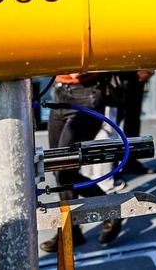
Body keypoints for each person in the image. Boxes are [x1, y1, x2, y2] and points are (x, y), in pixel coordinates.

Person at [40, 73, 123, 253]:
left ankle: (108, 209)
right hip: (59, 92)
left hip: (86, 94)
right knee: (57, 169)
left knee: (63, 170)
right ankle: (72, 230)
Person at [112, 70, 156, 181]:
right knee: (112, 123)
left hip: (134, 72)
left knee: (132, 118)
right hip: (116, 74)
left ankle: (131, 161)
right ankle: (111, 169)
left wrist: (148, 68)